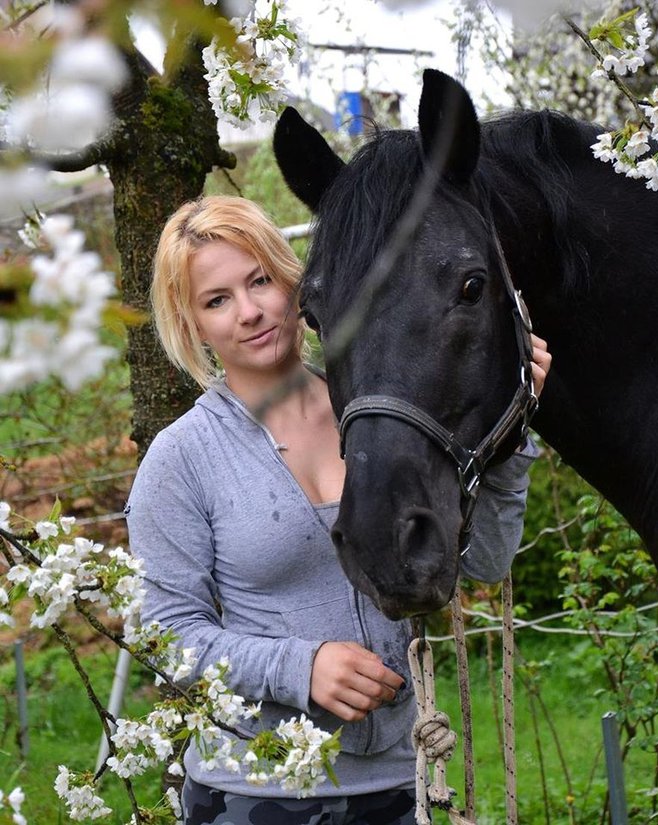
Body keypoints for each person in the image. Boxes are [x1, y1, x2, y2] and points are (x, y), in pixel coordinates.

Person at [125, 194, 552, 825]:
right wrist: (301, 667)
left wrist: (512, 438)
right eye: (217, 300)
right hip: (255, 795)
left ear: (291, 279)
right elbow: (165, 638)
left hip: (402, 787)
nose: (249, 312)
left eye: (260, 281)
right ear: (193, 325)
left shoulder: (385, 415)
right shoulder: (183, 458)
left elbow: (484, 563)